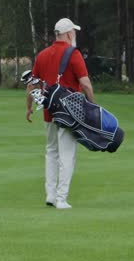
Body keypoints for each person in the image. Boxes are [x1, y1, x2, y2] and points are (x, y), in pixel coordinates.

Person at [25, 17, 96, 210]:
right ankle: (61, 198)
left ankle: (50, 194)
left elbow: (31, 85)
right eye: (74, 32)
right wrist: (92, 106)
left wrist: (29, 107)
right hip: (69, 113)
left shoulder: (42, 55)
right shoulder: (74, 54)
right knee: (67, 154)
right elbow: (85, 83)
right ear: (69, 34)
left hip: (49, 112)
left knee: (51, 152)